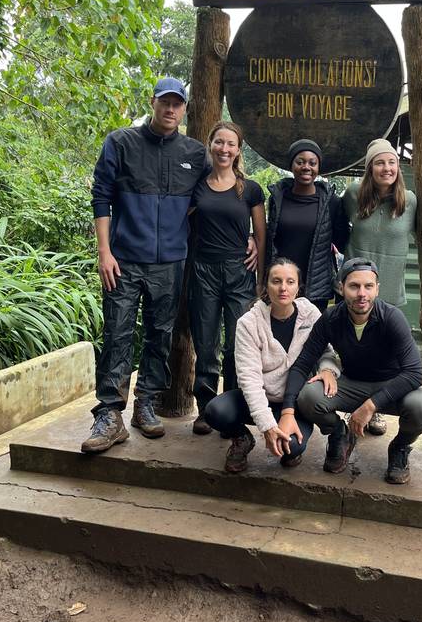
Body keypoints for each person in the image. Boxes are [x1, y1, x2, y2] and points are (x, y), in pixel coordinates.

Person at [82, 77, 210, 453]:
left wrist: (251, 232)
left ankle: (145, 405)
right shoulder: (120, 142)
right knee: (118, 334)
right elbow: (101, 197)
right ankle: (109, 414)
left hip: (170, 262)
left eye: (177, 104)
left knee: (160, 334)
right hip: (122, 260)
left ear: (184, 108)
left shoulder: (194, 153)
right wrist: (104, 252)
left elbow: (215, 194)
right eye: (165, 102)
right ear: (152, 102)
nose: (170, 110)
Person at [278, 257, 422, 485]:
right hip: (352, 384)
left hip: (391, 386)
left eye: (368, 286)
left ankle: (400, 447)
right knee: (308, 397)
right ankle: (338, 434)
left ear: (377, 289)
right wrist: (288, 410)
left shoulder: (391, 318)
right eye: (354, 286)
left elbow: (414, 373)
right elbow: (302, 364)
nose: (362, 293)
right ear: (341, 288)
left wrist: (371, 406)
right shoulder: (331, 319)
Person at [203, 258, 340, 472]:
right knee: (215, 411)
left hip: (295, 401)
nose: (283, 288)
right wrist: (267, 426)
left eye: (290, 282)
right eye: (276, 281)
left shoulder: (311, 314)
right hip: (259, 397)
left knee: (292, 448)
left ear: (298, 286)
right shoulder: (249, 323)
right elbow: (249, 379)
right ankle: (242, 440)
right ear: (266, 285)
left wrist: (328, 370)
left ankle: (295, 443)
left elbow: (326, 351)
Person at [189, 121, 267, 434]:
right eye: (219, 142)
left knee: (238, 345)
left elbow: (260, 236)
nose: (224, 149)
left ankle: (232, 408)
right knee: (206, 345)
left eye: (230, 144)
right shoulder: (197, 186)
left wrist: (261, 280)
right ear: (211, 145)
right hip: (203, 271)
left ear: (238, 150)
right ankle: (206, 409)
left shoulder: (249, 189)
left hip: (240, 273)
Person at [342, 138, 417, 437]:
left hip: (389, 294)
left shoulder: (409, 201)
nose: (386, 168)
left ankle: (376, 412)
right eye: (379, 162)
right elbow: (335, 229)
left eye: (391, 162)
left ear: (398, 168)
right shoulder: (353, 194)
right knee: (353, 352)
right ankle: (351, 403)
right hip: (355, 292)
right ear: (370, 167)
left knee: (387, 359)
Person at [266, 139, 350, 312]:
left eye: (312, 163)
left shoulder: (331, 202)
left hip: (316, 286)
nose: (306, 167)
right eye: (300, 162)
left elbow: (343, 241)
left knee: (313, 336)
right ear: (291, 165)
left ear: (318, 167)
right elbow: (270, 238)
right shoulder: (278, 198)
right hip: (282, 285)